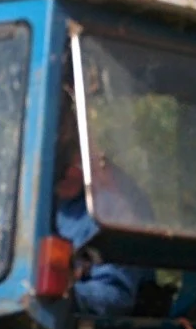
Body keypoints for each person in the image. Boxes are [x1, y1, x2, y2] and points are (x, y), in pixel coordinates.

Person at [54, 107, 142, 316]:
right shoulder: (33, 204)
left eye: (69, 158)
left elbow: (117, 296)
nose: (66, 171)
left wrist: (62, 294)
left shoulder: (113, 207)